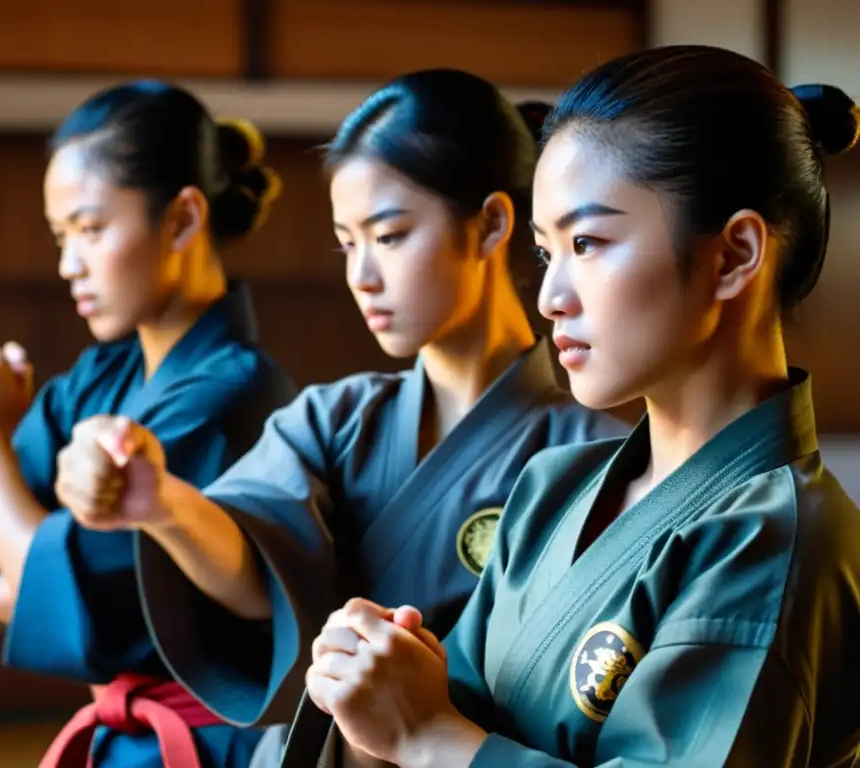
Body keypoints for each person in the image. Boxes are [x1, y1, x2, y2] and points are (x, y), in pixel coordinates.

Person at [51, 68, 630, 765]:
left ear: (490, 225)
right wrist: (163, 504)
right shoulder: (334, 417)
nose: (361, 275)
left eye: (388, 236)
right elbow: (255, 567)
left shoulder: (597, 452)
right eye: (346, 243)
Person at [304, 45, 860, 767]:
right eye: (546, 252)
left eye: (589, 242)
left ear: (734, 256)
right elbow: (449, 711)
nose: (549, 298)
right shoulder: (553, 487)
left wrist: (424, 735)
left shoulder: (780, 540)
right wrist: (371, 695)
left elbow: (442, 733)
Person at [0, 80, 296, 768]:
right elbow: (6, 583)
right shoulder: (102, 375)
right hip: (120, 738)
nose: (69, 265)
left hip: (208, 746)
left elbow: (42, 590)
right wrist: (27, 561)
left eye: (91, 229)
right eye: (61, 236)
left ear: (183, 218)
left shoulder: (230, 394)